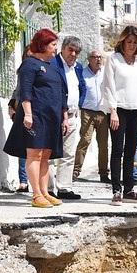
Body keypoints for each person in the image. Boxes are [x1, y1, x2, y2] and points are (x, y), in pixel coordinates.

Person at [3, 28, 67, 208]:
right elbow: (25, 91)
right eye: (53, 45)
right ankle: (36, 194)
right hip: (36, 116)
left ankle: (45, 192)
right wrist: (28, 114)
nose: (56, 48)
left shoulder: (52, 66)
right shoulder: (29, 64)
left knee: (46, 155)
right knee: (35, 154)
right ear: (43, 44)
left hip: (52, 117)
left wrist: (63, 117)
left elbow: (61, 93)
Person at [101, 25, 137, 205]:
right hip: (119, 110)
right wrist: (113, 111)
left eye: (135, 42)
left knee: (132, 151)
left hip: (136, 109)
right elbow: (108, 86)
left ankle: (129, 189)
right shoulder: (114, 59)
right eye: (129, 42)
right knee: (118, 149)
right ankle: (116, 190)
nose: (132, 45)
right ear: (122, 41)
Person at [49, 36, 87, 200]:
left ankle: (64, 188)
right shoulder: (53, 64)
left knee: (69, 153)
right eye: (70, 49)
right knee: (49, 154)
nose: (73, 54)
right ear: (63, 48)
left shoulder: (78, 68)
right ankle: (48, 189)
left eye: (76, 51)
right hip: (54, 115)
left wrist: (78, 104)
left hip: (72, 115)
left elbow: (82, 88)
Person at [73, 49, 110, 183]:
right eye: (95, 57)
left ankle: (104, 173)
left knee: (103, 144)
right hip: (87, 112)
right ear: (89, 59)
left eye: (100, 57)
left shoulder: (105, 73)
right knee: (85, 141)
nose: (98, 60)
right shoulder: (82, 73)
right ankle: (76, 171)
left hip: (102, 112)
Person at [8, 47, 31, 193]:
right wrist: (12, 105)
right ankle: (23, 181)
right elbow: (18, 90)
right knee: (23, 148)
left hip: (34, 111)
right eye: (26, 56)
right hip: (22, 111)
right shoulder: (22, 72)